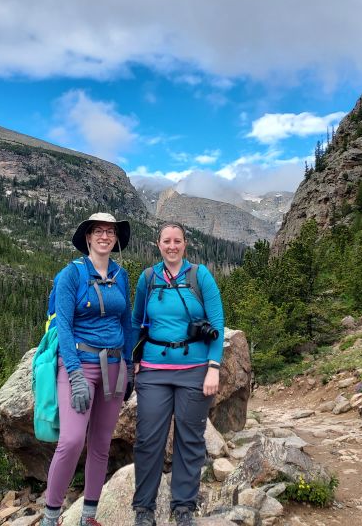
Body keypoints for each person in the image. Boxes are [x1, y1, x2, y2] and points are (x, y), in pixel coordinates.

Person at [40, 212, 134, 526]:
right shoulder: (71, 275)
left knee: (101, 443)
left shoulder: (121, 276)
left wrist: (130, 366)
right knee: (71, 440)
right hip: (79, 364)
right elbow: (64, 327)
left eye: (111, 231)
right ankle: (51, 517)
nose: (105, 236)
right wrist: (75, 374)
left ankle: (88, 516)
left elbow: (126, 322)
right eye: (99, 231)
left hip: (114, 366)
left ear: (116, 238)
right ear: (88, 238)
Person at [132, 221, 225, 526]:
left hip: (194, 370)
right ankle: (144, 509)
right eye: (166, 241)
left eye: (177, 241)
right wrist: (132, 359)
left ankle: (183, 507)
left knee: (190, 438)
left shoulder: (201, 276)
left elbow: (217, 325)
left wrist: (213, 368)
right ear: (158, 244)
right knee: (148, 439)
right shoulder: (148, 278)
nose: (172, 246)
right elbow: (136, 323)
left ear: (186, 244)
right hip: (153, 370)